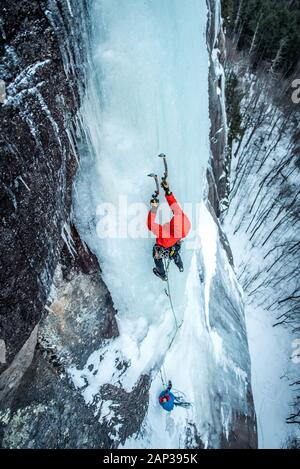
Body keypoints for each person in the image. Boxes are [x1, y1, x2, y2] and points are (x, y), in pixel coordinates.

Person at [147, 180, 191, 281]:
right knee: (174, 253)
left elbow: (151, 225)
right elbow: (173, 204)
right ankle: (180, 265)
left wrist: (154, 208)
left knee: (157, 255)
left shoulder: (165, 233)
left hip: (165, 244)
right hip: (176, 241)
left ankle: (161, 273)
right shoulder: (181, 217)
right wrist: (168, 191)